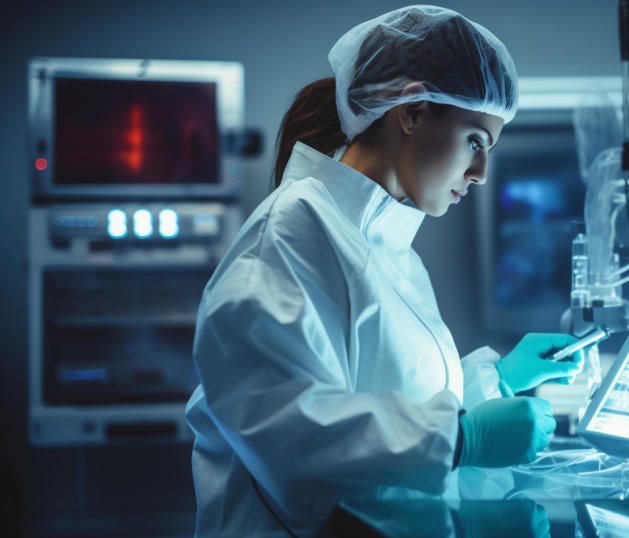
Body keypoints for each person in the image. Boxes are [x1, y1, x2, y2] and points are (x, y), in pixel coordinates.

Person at [185, 6, 584, 536]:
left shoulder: (391, 251)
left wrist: (498, 380)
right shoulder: (291, 232)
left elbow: (389, 403)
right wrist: (463, 439)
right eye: (475, 141)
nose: (482, 173)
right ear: (413, 112)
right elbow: (289, 433)